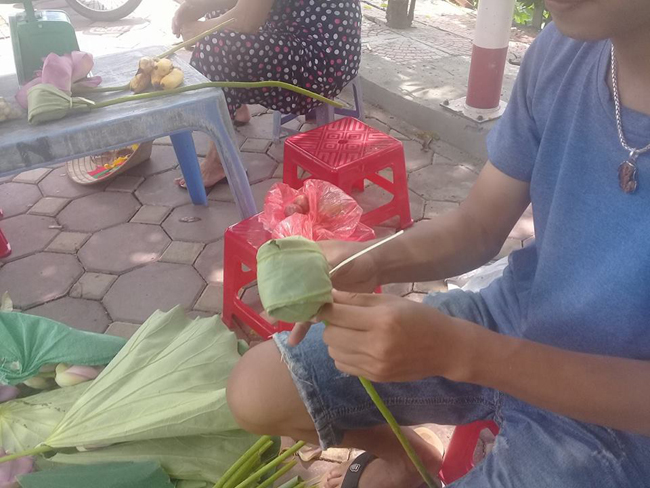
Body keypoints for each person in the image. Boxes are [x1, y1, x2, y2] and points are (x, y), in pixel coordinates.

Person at [225, 0, 650, 486]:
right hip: (515, 321)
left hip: (619, 424)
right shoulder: (563, 53)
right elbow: (478, 226)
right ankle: (410, 458)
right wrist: (372, 260)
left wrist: (465, 353)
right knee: (257, 389)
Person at [171, 0, 362, 187]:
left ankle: (219, 161)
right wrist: (195, 5)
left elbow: (246, 20)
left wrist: (198, 30)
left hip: (320, 60)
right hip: (295, 30)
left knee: (215, 42)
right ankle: (235, 104)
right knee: (218, 14)